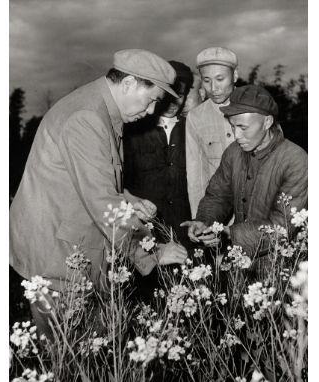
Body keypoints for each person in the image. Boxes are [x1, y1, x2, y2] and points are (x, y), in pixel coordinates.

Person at [10, 49, 188, 334]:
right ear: (129, 83)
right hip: (57, 256)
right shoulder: (88, 117)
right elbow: (102, 200)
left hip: (68, 245)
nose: (152, 111)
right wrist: (150, 251)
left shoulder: (98, 108)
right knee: (68, 359)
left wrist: (129, 200)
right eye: (152, 99)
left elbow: (90, 179)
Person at [181, 85, 308, 262]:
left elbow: (282, 226)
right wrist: (205, 221)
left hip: (281, 266)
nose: (236, 135)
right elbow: (218, 195)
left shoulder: (296, 160)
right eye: (233, 127)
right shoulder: (233, 152)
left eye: (243, 127)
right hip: (240, 263)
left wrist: (229, 234)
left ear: (267, 122)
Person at [123, 61, 194, 301]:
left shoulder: (193, 129)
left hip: (187, 236)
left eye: (181, 95)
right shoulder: (132, 129)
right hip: (145, 237)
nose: (175, 102)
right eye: (169, 95)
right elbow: (116, 184)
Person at [185, 47, 239, 219]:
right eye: (207, 81)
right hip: (218, 216)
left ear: (235, 76)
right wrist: (201, 221)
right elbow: (196, 176)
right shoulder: (195, 117)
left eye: (220, 79)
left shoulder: (257, 107)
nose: (214, 88)